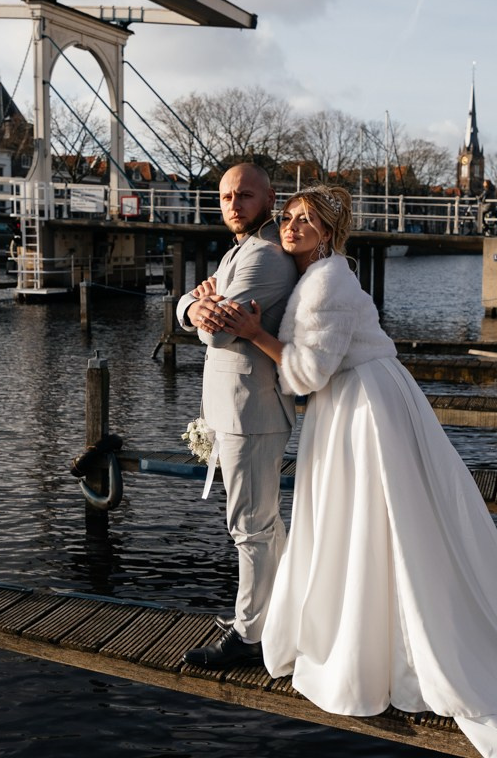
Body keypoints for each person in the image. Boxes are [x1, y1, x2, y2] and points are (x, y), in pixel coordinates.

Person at [214, 184, 497, 758]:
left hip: (361, 407)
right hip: (361, 398)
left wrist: (254, 333)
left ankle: (382, 647)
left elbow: (308, 372)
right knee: (381, 523)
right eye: (289, 217)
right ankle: (378, 632)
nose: (291, 227)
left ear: (330, 232)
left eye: (306, 221)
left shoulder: (327, 281)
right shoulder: (320, 273)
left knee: (376, 521)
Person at [176, 163, 299, 669]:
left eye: (245, 195)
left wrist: (202, 309)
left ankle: (250, 637)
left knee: (250, 525)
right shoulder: (237, 249)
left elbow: (218, 332)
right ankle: (275, 615)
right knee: (264, 524)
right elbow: (196, 305)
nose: (233, 204)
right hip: (242, 410)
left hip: (253, 413)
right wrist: (193, 302)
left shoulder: (266, 258)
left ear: (270, 197)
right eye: (226, 196)